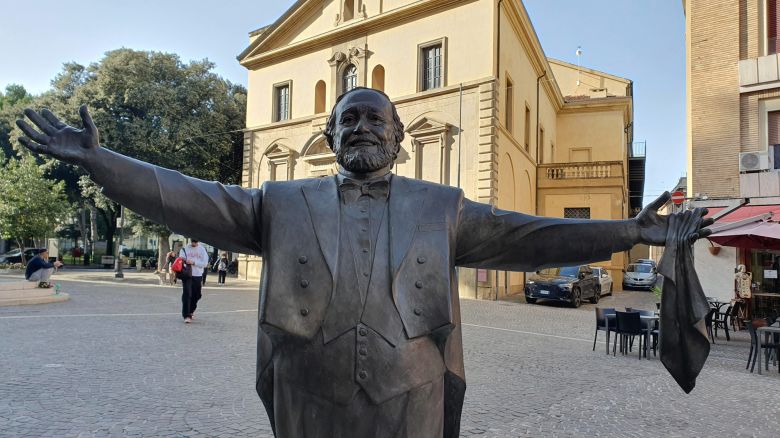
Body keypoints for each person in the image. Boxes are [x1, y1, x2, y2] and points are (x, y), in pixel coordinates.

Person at [17, 89, 713, 437]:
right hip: (306, 393)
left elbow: (528, 237)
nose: (362, 128)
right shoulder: (280, 201)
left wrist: (631, 230)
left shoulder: (442, 206)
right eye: (348, 119)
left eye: (376, 118)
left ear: (400, 137)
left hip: (411, 394)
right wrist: (102, 163)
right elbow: (192, 200)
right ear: (327, 134)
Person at [179, 239, 209, 323]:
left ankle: (191, 310)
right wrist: (184, 261)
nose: (194, 243)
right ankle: (186, 315)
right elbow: (181, 260)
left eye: (195, 242)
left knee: (197, 295)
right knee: (187, 294)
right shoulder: (184, 249)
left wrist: (194, 262)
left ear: (198, 242)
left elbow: (205, 263)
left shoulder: (202, 249)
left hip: (198, 275)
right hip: (187, 275)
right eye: (192, 242)